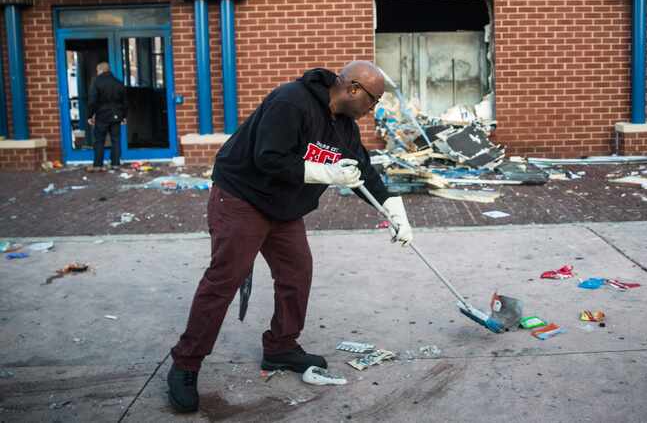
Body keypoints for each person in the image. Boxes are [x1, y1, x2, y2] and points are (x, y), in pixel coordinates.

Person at [167, 61, 414, 413]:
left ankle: (280, 347)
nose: (373, 110)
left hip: (282, 208)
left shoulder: (344, 128)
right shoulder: (291, 101)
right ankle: (185, 363)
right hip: (242, 196)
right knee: (225, 278)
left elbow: (361, 171)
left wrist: (392, 209)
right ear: (354, 89)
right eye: (373, 101)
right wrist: (327, 171)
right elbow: (268, 158)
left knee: (297, 273)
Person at [86, 61, 127, 172]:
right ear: (108, 70)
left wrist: (89, 115)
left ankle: (98, 165)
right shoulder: (118, 82)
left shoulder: (96, 82)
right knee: (116, 140)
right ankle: (115, 164)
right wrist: (124, 116)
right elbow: (124, 102)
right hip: (116, 116)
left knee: (99, 140)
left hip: (102, 116)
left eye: (97, 71)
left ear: (100, 70)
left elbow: (92, 101)